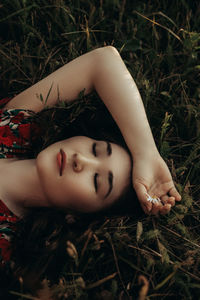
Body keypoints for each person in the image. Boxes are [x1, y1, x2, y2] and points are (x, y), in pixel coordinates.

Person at [0, 46, 181, 292]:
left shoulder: (4, 244)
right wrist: (146, 154)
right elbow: (103, 61)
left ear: (74, 216)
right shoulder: (14, 129)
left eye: (97, 181)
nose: (81, 161)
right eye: (96, 149)